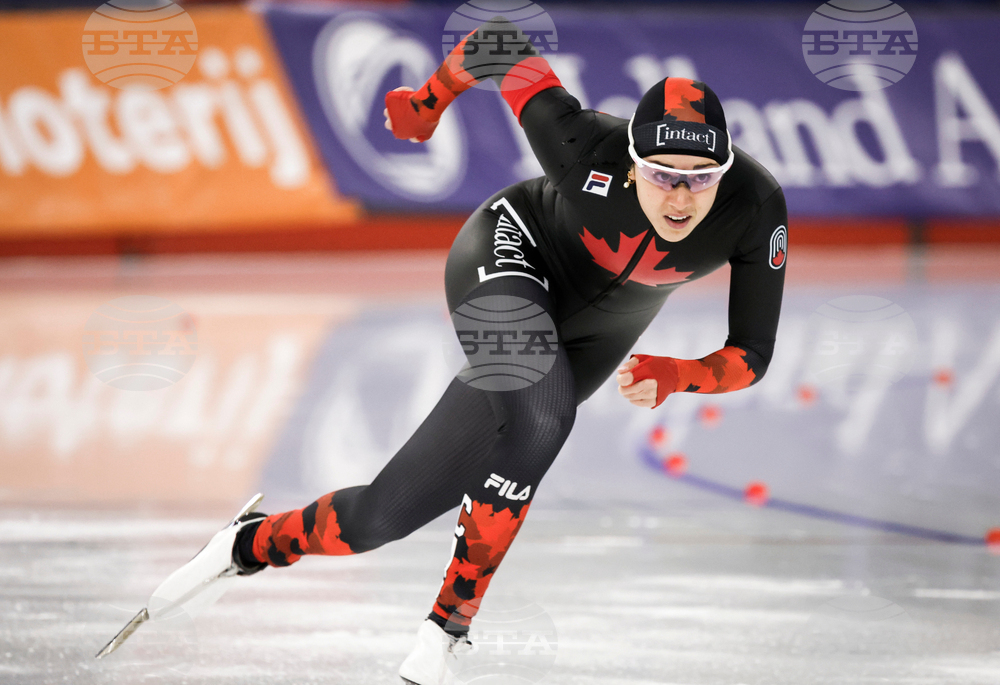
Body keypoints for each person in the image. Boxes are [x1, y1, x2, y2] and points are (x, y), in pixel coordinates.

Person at [147, 16, 786, 685]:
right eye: (661, 174)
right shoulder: (579, 143)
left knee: (378, 517)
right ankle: (447, 626)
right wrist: (425, 105)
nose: (681, 197)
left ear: (727, 168)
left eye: (701, 178)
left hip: (604, 330)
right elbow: (498, 42)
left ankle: (247, 543)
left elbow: (753, 352)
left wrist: (682, 373)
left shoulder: (757, 206)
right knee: (544, 414)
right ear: (630, 163)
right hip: (512, 250)